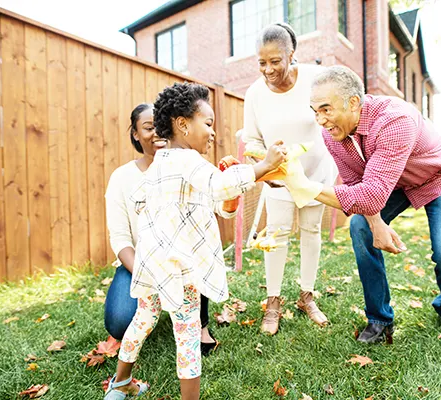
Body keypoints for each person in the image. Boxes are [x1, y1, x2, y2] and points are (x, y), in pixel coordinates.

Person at [104, 82, 287, 400]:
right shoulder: (187, 161)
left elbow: (212, 200)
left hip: (153, 265)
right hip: (178, 267)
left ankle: (120, 384)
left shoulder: (162, 163)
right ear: (182, 124)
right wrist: (265, 166)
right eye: (209, 123)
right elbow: (219, 186)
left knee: (142, 320)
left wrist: (226, 193)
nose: (213, 133)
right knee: (188, 335)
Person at [283, 65, 441, 343]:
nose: (320, 120)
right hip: (393, 183)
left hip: (440, 177)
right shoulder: (333, 133)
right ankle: (379, 318)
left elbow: (370, 195)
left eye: (326, 109)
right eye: (315, 111)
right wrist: (376, 223)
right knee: (360, 226)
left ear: (353, 102)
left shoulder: (395, 120)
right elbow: (356, 186)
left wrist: (306, 187)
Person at [242, 22, 336, 335]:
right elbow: (252, 140)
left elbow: (331, 116)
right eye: (261, 63)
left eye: (275, 61)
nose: (268, 70)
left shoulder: (313, 79)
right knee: (277, 236)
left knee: (311, 230)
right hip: (278, 178)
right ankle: (273, 302)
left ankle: (306, 296)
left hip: (315, 174)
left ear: (291, 54)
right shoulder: (254, 94)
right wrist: (265, 166)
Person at [104, 103, 218, 355]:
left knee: (194, 260)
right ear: (135, 133)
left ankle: (200, 325)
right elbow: (120, 238)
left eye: (161, 125)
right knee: (119, 322)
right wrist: (150, 274)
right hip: (140, 262)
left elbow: (214, 209)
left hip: (184, 262)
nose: (156, 132)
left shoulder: (190, 167)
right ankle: (154, 307)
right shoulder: (121, 178)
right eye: (148, 127)